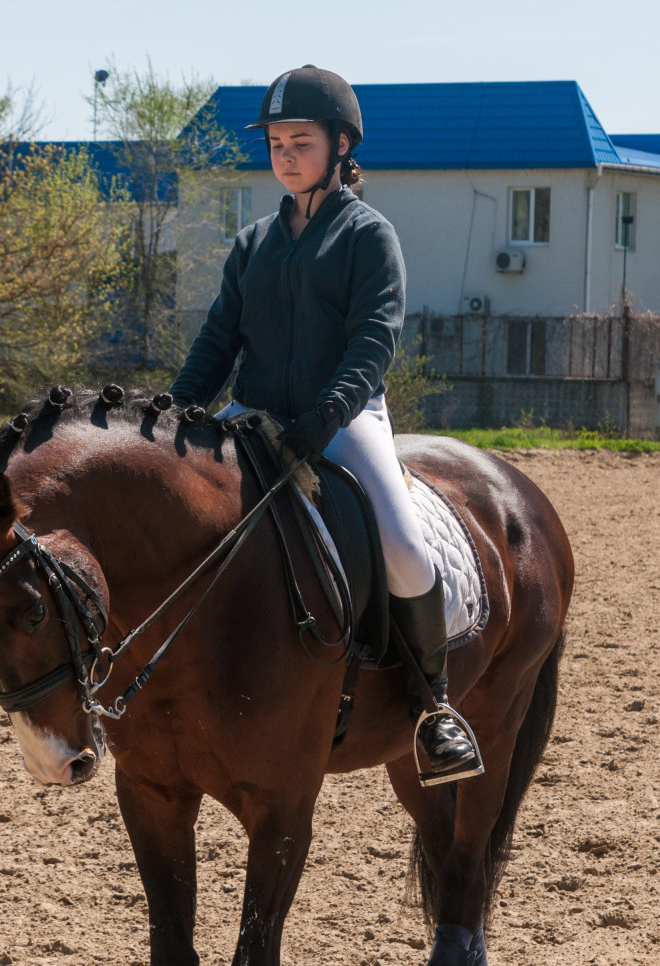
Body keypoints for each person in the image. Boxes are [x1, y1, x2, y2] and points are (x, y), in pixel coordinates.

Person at [165, 65, 480, 788]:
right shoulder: (251, 244)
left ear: (341, 145)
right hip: (253, 414)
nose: (284, 155)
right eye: (275, 143)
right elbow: (217, 344)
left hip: (345, 418)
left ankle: (434, 707)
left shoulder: (370, 237)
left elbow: (373, 341)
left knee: (401, 541)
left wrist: (326, 416)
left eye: (299, 141)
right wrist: (174, 417)